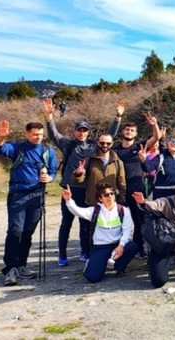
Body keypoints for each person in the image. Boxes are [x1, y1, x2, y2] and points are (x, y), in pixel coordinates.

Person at [43, 98, 117, 264]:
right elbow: (53, 134)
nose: (82, 133)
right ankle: (62, 255)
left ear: (88, 132)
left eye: (85, 130)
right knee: (66, 223)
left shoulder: (93, 145)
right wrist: (49, 117)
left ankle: (85, 252)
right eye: (79, 130)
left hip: (86, 190)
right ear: (75, 132)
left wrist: (117, 118)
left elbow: (109, 135)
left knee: (85, 223)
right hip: (69, 190)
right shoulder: (67, 145)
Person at [0, 120, 57, 286]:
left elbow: (53, 171)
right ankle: (10, 269)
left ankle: (22, 265)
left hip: (37, 196)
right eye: (35, 134)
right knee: (15, 231)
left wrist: (49, 178)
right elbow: (0, 148)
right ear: (27, 134)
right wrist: (0, 137)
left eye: (41, 135)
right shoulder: (17, 148)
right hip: (18, 195)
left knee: (27, 233)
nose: (38, 137)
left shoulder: (48, 151)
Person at [62, 183, 140, 282]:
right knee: (92, 278)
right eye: (106, 195)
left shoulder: (123, 210)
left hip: (117, 245)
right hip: (101, 246)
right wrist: (68, 200)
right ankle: (97, 263)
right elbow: (77, 211)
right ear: (100, 198)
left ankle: (117, 266)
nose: (110, 196)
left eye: (112, 194)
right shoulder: (95, 211)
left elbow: (127, 230)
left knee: (133, 247)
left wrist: (121, 245)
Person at [110, 100, 160, 256]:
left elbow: (156, 137)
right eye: (127, 130)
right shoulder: (115, 150)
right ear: (123, 132)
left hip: (137, 188)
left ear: (136, 133)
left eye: (132, 130)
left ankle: (138, 247)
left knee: (139, 220)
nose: (129, 132)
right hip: (119, 190)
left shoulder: (140, 146)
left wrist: (154, 124)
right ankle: (118, 248)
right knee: (117, 221)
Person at [72, 134, 127, 208]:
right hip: (93, 203)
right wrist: (78, 174)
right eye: (102, 143)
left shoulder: (118, 162)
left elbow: (122, 184)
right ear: (98, 143)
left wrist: (121, 202)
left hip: (111, 203)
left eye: (108, 143)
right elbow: (76, 181)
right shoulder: (89, 160)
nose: (105, 145)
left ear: (112, 144)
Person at [144, 113, 175, 199]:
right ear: (168, 142)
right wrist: (143, 160)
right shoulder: (161, 157)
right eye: (173, 140)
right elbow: (147, 168)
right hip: (161, 197)